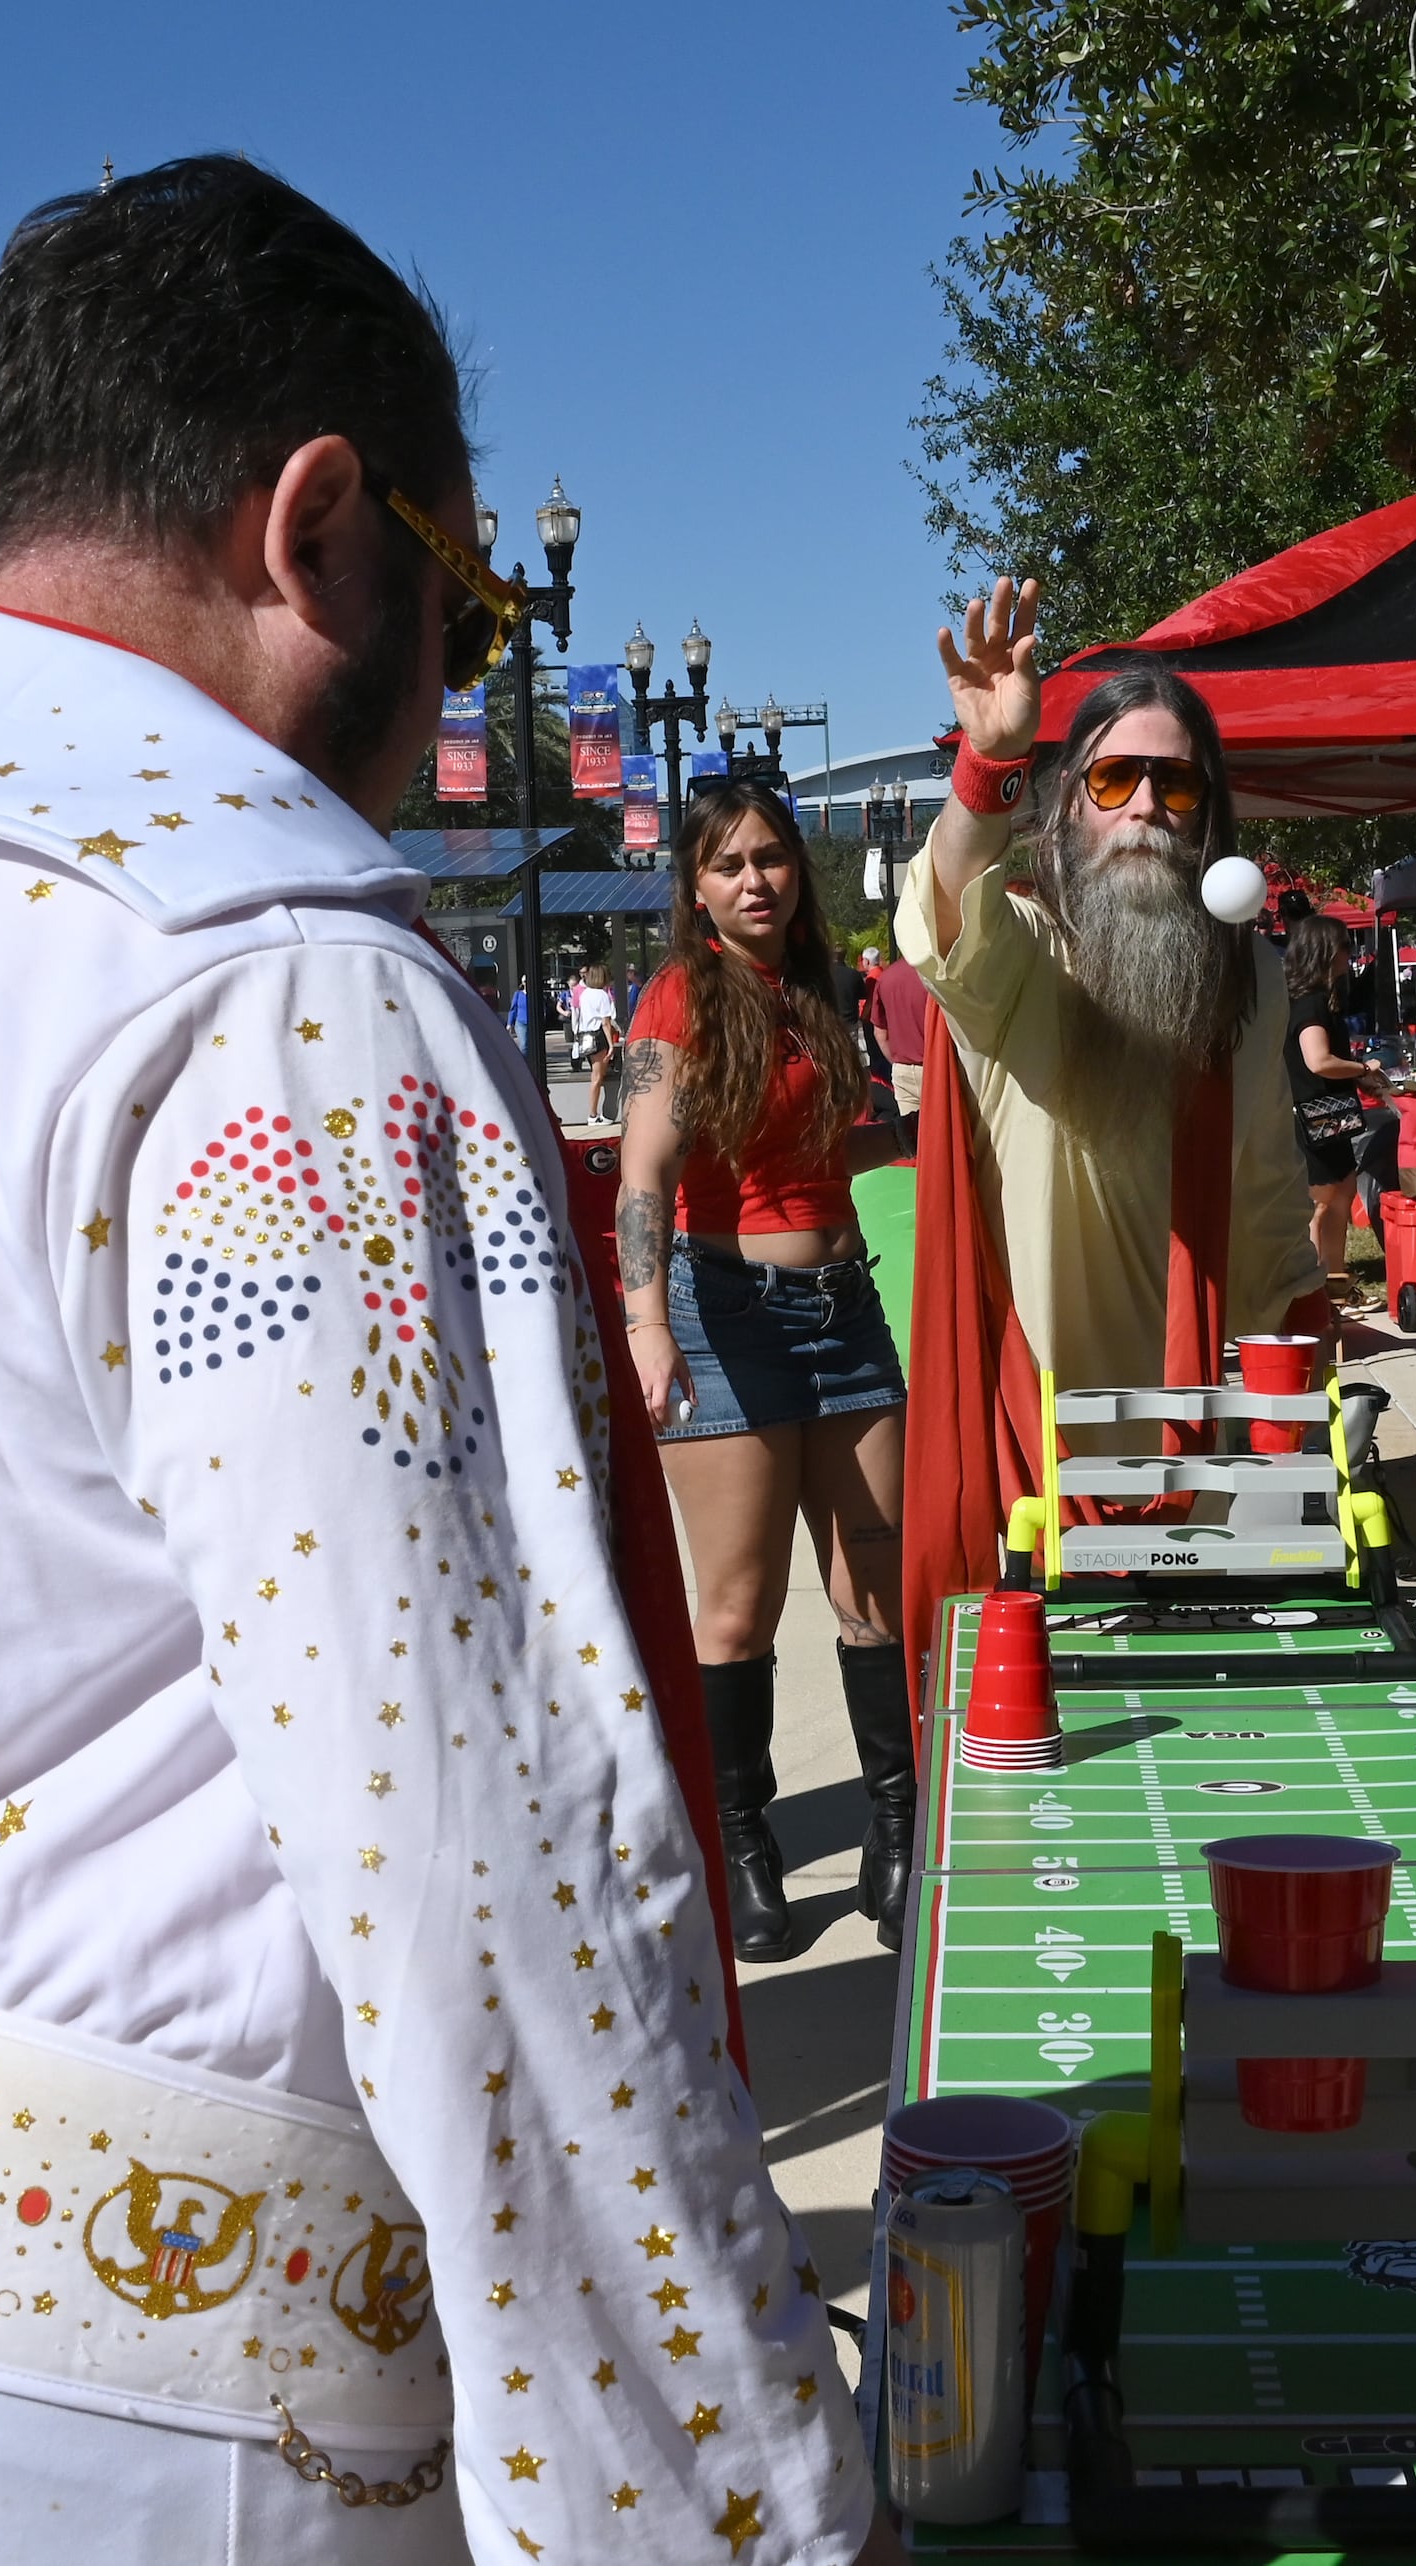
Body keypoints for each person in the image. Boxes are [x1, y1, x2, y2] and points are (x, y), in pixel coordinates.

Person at [0, 160, 874, 2565]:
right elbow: (498, 1875)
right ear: (317, 524)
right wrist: (746, 2512)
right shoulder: (268, 984)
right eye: (459, 611)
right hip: (132, 2411)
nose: (454, 688)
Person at [896, 591, 1334, 1681]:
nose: (1144, 803)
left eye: (1173, 780)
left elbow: (1267, 1181)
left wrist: (1303, 1336)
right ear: (1070, 808)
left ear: (1206, 814)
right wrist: (988, 766)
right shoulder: (1020, 957)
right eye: (1112, 778)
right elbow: (946, 899)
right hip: (1044, 1450)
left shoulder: (1253, 975)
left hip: (1211, 1441)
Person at [615, 782, 914, 1963]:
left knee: (874, 1593)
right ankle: (743, 1841)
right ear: (696, 887)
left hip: (846, 1311)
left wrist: (938, 1129)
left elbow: (834, 1148)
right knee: (737, 1609)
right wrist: (648, 1325)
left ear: (800, 873)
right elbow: (646, 1179)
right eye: (730, 863)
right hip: (723, 1314)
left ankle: (894, 1830)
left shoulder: (824, 995)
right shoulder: (677, 1001)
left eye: (773, 859)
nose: (755, 880)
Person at [1281, 914, 1393, 1309]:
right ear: (1326, 952)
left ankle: (1335, 1284)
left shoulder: (1309, 998)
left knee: (1340, 1197)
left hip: (1328, 1113)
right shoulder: (1310, 1003)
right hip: (1316, 1115)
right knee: (1323, 1204)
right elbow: (1319, 1061)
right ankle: (1316, 1292)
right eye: (1346, 945)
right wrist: (1364, 1068)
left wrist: (1358, 1078)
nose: (1352, 953)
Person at [870, 933, 943, 1144]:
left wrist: (897, 1061)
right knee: (947, 1142)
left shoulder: (887, 977)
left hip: (902, 1069)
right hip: (938, 1068)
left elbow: (880, 1032)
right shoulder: (937, 975)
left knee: (916, 1141)